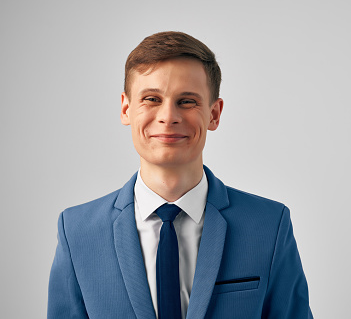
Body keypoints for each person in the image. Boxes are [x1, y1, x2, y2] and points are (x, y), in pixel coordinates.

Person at [48, 31, 313, 319]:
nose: (168, 116)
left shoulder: (269, 226)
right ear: (126, 109)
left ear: (214, 114)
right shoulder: (77, 233)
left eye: (186, 101)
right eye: (151, 98)